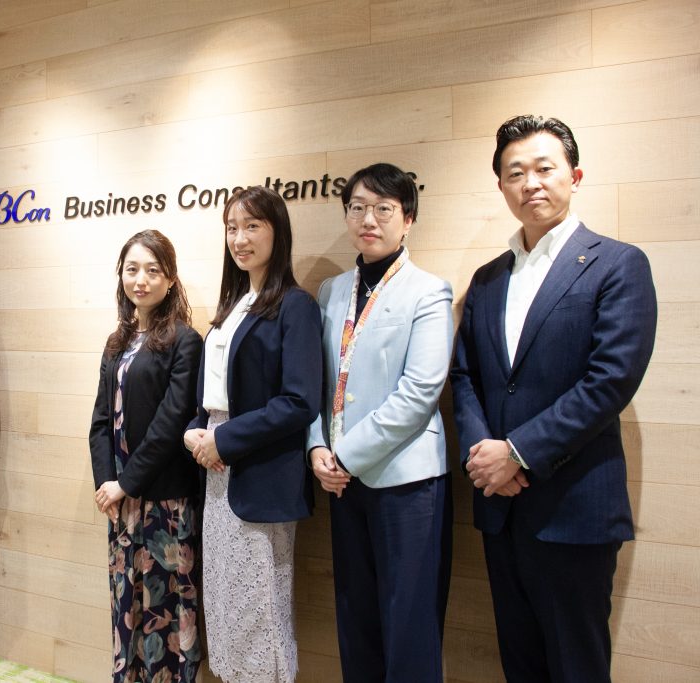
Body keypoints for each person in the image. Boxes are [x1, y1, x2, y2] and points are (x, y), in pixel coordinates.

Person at [450, 115, 658, 682]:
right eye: (515, 172)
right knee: (520, 664)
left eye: (544, 168)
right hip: (500, 507)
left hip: (575, 507)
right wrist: (483, 457)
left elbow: (610, 380)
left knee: (576, 667)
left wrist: (517, 453)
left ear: (574, 176)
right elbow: (466, 376)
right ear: (501, 186)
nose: (531, 183)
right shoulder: (488, 278)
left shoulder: (618, 264)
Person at [308, 163, 453, 682]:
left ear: (407, 219)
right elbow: (315, 382)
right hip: (341, 482)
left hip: (406, 482)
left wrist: (344, 455)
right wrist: (316, 449)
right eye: (358, 208)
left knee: (409, 623)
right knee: (356, 619)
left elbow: (418, 394)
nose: (368, 220)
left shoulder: (429, 291)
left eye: (383, 209)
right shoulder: (331, 292)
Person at [183, 186, 322, 683]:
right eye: (231, 228)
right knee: (224, 600)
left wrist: (224, 440)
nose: (239, 239)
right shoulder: (232, 305)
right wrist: (196, 432)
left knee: (259, 608)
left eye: (252, 226)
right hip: (216, 467)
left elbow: (299, 401)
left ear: (277, 231)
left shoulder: (295, 305)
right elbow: (212, 393)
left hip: (259, 472)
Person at [89, 229, 204, 683]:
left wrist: (125, 482)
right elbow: (100, 420)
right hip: (121, 502)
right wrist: (107, 484)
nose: (141, 280)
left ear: (170, 279)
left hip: (165, 503)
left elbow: (171, 422)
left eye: (153, 271)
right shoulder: (116, 341)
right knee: (127, 607)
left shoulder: (185, 341)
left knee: (167, 611)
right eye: (132, 269)